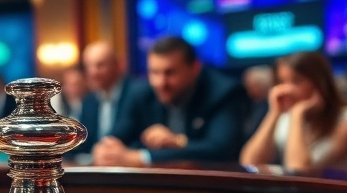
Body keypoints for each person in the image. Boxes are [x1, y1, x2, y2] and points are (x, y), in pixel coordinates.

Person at [94, 36, 248, 167]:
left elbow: (220, 149)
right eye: (154, 72)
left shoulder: (223, 92)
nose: (160, 82)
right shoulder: (143, 94)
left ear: (194, 68)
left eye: (170, 73)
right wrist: (105, 149)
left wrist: (144, 156)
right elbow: (116, 137)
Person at [239, 51, 347, 172]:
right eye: (281, 81)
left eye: (296, 81)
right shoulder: (285, 117)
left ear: (319, 83)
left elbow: (299, 171)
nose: (285, 90)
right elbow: (249, 163)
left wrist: (297, 114)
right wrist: (274, 113)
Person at [79, 41, 133, 144]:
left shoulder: (138, 94)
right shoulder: (88, 102)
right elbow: (83, 143)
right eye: (88, 66)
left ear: (117, 64)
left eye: (100, 65)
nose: (93, 72)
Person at [241, 64, 275, 139]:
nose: (248, 92)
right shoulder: (253, 104)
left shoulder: (273, 106)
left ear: (263, 85)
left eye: (251, 87)